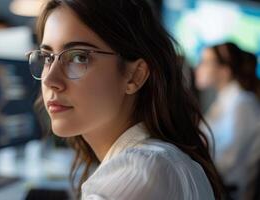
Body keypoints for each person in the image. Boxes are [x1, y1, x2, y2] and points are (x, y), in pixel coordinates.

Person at [26, 0, 223, 199]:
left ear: (135, 75)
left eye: (79, 57)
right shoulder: (159, 162)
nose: (50, 79)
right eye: (48, 57)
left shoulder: (143, 172)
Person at [196, 42, 260, 199]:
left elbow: (230, 162)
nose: (198, 67)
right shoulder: (226, 99)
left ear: (225, 71)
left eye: (205, 62)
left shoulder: (243, 103)